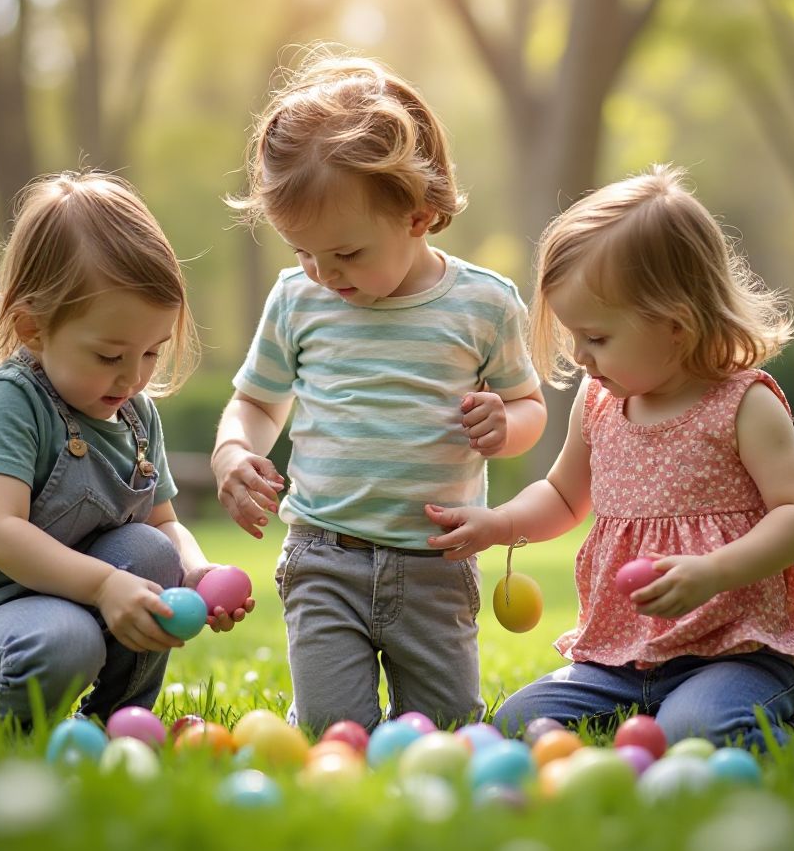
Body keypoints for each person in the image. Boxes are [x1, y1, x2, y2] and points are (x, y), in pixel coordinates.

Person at [425, 164, 794, 750]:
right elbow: (561, 495)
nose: (581, 356)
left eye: (597, 338)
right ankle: (643, 713)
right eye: (575, 336)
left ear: (676, 325)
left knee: (696, 731)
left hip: (736, 650)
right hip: (621, 662)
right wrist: (500, 524)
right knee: (515, 723)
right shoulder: (600, 401)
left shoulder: (741, 404)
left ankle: (765, 716)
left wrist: (715, 571)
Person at [213, 48, 547, 734]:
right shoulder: (297, 300)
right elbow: (257, 401)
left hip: (434, 564)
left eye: (347, 254)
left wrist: (505, 425)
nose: (324, 272)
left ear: (419, 215)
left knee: (448, 731)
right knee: (336, 732)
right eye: (302, 251)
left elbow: (530, 407)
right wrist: (232, 453)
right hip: (323, 557)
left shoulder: (485, 305)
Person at [0, 171, 253, 726]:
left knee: (153, 555)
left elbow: (164, 524)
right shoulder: (11, 403)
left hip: (80, 600)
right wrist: (104, 584)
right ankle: (3, 735)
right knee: (67, 640)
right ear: (33, 328)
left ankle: (117, 724)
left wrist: (193, 573)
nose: (134, 377)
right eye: (109, 355)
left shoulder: (134, 414)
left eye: (151, 353)